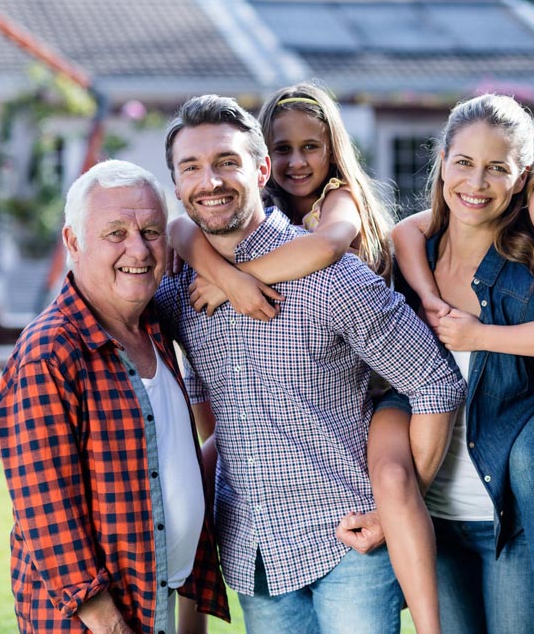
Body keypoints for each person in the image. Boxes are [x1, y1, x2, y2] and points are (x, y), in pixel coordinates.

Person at [154, 94, 465, 634]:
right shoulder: (177, 289)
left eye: (227, 161)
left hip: (347, 541)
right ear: (177, 185)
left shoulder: (330, 275)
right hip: (254, 551)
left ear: (260, 169)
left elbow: (435, 381)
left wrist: (396, 502)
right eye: (192, 167)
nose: (211, 180)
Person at [385, 94, 534, 634]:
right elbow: (404, 230)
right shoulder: (411, 258)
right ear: (442, 161)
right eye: (463, 163)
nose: (476, 183)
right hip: (431, 521)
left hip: (508, 522)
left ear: (522, 175)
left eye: (496, 168)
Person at [0, 160, 229, 634]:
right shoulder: (50, 353)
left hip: (157, 601)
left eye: (150, 231)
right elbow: (49, 518)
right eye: (115, 233)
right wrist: (112, 627)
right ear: (73, 242)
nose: (138, 249)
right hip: (97, 624)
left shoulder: (154, 328)